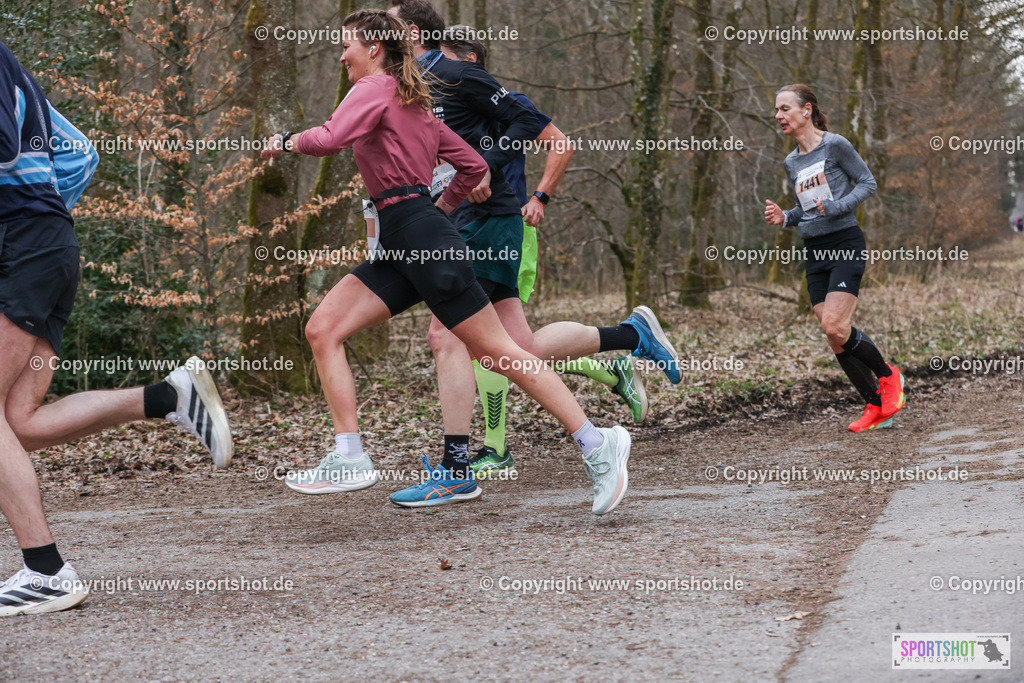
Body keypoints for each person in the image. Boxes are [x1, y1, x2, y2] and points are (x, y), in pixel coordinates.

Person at [265, 10, 631, 515]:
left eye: (345, 45)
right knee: (323, 329)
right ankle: (349, 456)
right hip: (407, 237)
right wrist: (434, 213)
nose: (340, 55)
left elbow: (330, 138)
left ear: (374, 48)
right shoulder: (416, 104)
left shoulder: (374, 88)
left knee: (499, 352)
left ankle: (597, 442)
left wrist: (285, 142)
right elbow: (474, 166)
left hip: (416, 233)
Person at [381, 0, 677, 501]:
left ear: (411, 32)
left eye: (385, 26)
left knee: (446, 335)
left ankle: (459, 467)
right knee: (515, 353)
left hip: (490, 221)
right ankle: (628, 336)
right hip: (461, 218)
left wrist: (490, 170)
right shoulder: (409, 87)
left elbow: (544, 129)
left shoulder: (458, 74)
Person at [0, 41, 233, 616]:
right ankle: (167, 396)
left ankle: (47, 571)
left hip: (20, 249)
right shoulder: (14, 67)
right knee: (17, 424)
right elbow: (80, 154)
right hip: (45, 247)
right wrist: (46, 214)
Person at [439, 28, 649, 479]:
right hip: (467, 224)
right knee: (513, 345)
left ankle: (493, 448)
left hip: (504, 223)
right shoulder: (445, 109)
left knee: (477, 339)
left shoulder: (505, 101)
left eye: (441, 60)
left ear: (468, 60)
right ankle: (623, 350)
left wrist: (540, 196)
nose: (432, 72)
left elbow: (561, 142)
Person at [764, 84, 905, 432]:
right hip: (814, 251)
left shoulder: (835, 145)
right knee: (833, 336)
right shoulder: (791, 161)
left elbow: (867, 183)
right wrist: (786, 217)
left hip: (845, 243)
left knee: (834, 325)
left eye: (785, 109)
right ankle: (875, 406)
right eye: (777, 111)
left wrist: (839, 206)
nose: (778, 116)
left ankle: (889, 378)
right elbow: (805, 209)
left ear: (807, 110)